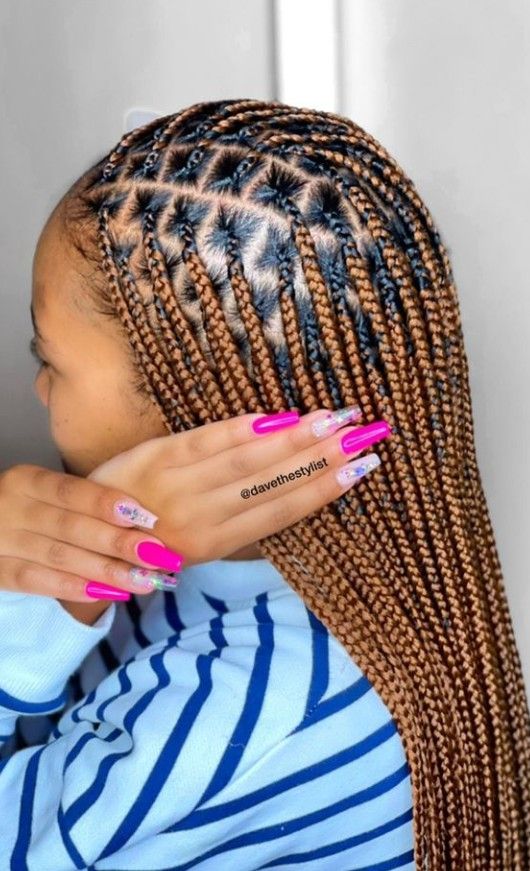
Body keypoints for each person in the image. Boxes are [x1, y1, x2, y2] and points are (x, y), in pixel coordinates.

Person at [0, 97, 527, 869]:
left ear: (191, 408)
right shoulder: (316, 590)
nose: (38, 391)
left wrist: (42, 601)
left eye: (48, 359)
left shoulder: (243, 705)